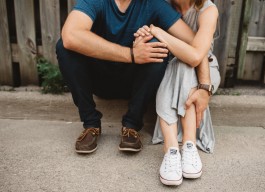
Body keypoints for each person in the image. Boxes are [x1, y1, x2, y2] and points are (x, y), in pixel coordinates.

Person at [56, 0, 211, 154]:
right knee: (64, 46)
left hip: (135, 83)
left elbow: (195, 44)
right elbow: (70, 36)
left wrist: (204, 85)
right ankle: (91, 124)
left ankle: (131, 126)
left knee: (157, 46)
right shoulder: (95, 1)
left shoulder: (153, 4)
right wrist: (131, 54)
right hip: (99, 79)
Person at [134, 0, 220, 186]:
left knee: (184, 65)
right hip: (170, 67)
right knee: (177, 65)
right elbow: (145, 33)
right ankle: (184, 147)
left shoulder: (208, 9)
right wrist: (144, 34)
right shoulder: (161, 5)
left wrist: (159, 32)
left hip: (206, 67)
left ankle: (173, 146)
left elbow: (196, 56)